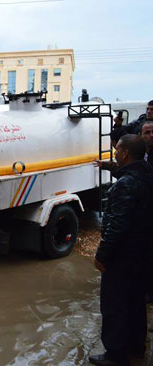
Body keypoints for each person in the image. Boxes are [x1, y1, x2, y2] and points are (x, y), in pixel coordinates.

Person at [89, 135, 153, 366]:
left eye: (117, 149)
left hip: (124, 256)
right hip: (144, 253)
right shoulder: (147, 174)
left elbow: (116, 225)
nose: (114, 152)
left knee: (114, 304)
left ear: (125, 153)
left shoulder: (126, 184)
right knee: (136, 303)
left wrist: (102, 255)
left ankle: (115, 354)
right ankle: (137, 347)